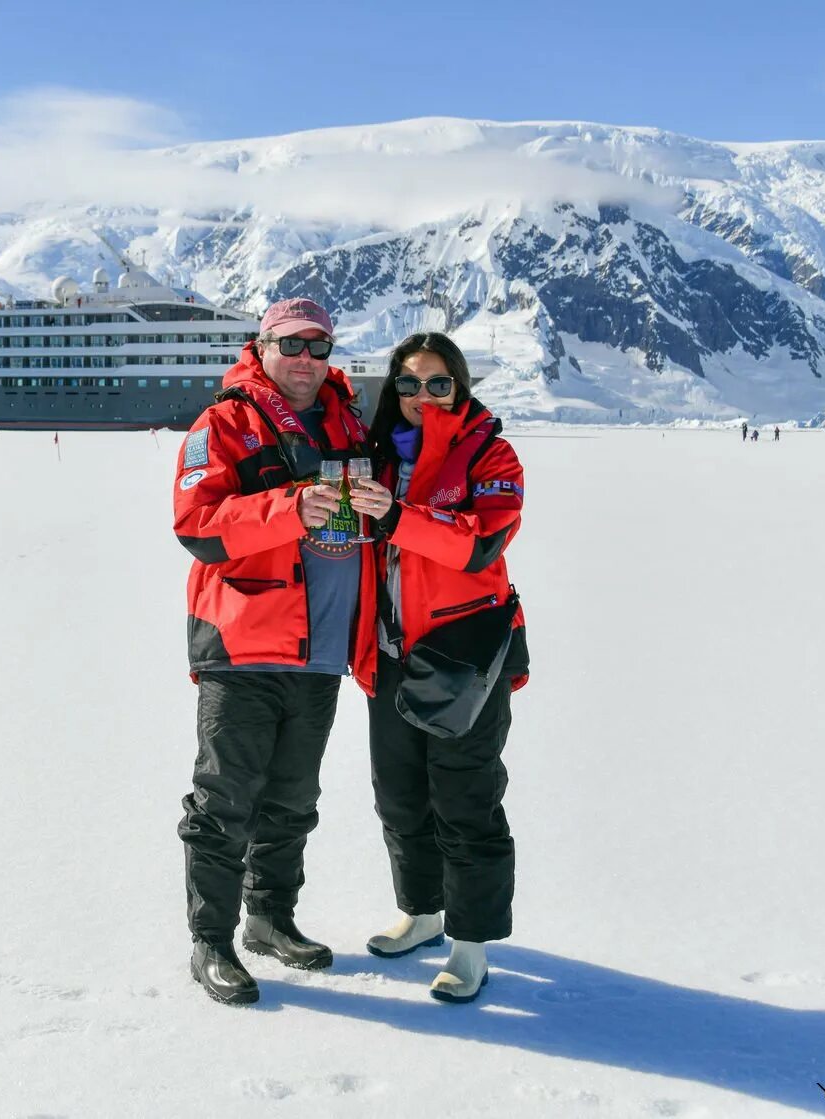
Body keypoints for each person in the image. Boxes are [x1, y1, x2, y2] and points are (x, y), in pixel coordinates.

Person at [173, 297, 379, 1006]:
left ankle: (269, 917)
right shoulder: (223, 423)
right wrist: (288, 507)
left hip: (321, 649)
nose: (305, 359)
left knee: (293, 799)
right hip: (245, 641)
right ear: (260, 346)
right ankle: (212, 941)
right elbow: (196, 522)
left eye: (319, 346)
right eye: (291, 344)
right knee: (226, 798)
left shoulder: (348, 419)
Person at [343, 331, 530, 1005]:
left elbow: (482, 543)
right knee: (399, 793)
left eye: (438, 383)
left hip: (465, 657)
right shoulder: (374, 459)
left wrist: (398, 515)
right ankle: (422, 910)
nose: (423, 396)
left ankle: (471, 942)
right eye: (409, 384)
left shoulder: (490, 452)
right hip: (388, 652)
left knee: (465, 798)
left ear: (462, 386)